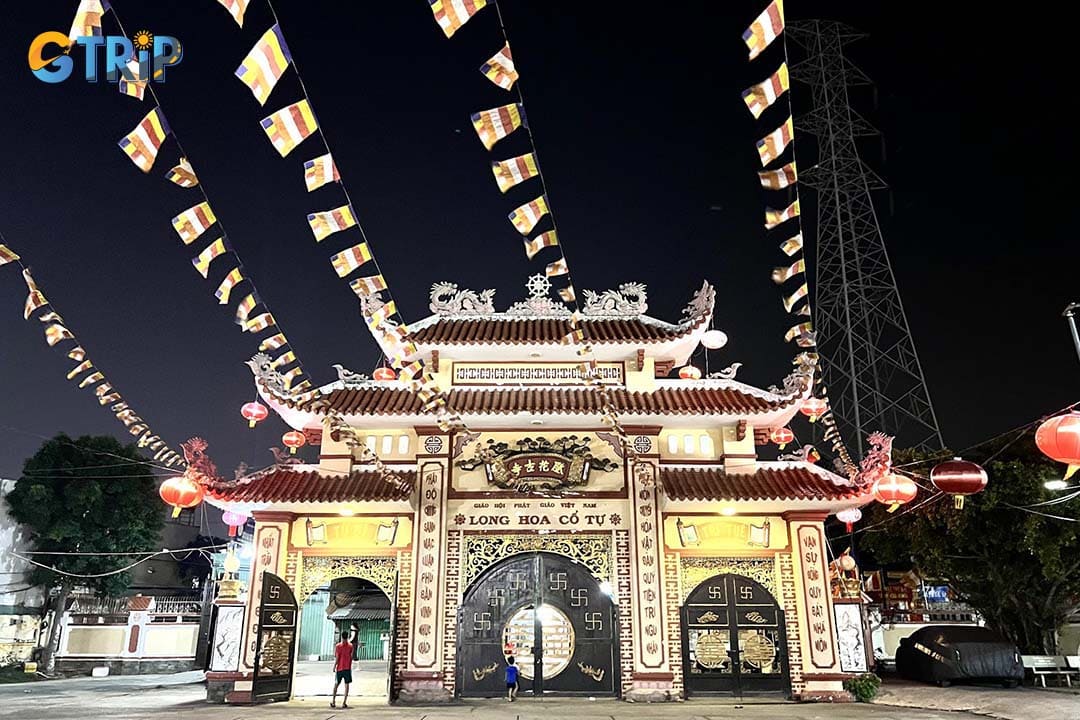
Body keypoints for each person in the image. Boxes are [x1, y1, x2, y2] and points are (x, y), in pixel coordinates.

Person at [331, 630, 353, 709]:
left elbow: (337, 658)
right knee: (346, 685)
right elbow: (351, 657)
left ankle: (333, 701)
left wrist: (334, 666)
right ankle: (344, 702)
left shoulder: (338, 646)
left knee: (336, 684)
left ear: (341, 636)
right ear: (347, 637)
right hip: (347, 668)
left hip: (340, 668)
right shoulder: (350, 646)